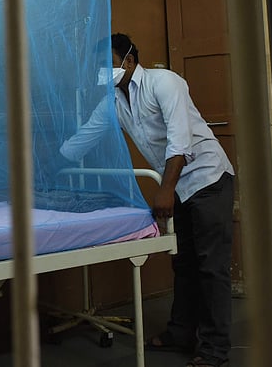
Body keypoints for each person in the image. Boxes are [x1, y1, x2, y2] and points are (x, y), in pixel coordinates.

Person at [59, 33, 235, 367]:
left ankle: (214, 349)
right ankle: (181, 332)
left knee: (210, 267)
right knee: (182, 263)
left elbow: (180, 140)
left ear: (128, 59)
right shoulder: (113, 100)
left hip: (207, 178)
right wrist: (54, 162)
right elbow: (86, 136)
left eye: (107, 63)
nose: (102, 71)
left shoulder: (165, 83)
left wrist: (164, 189)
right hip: (175, 185)